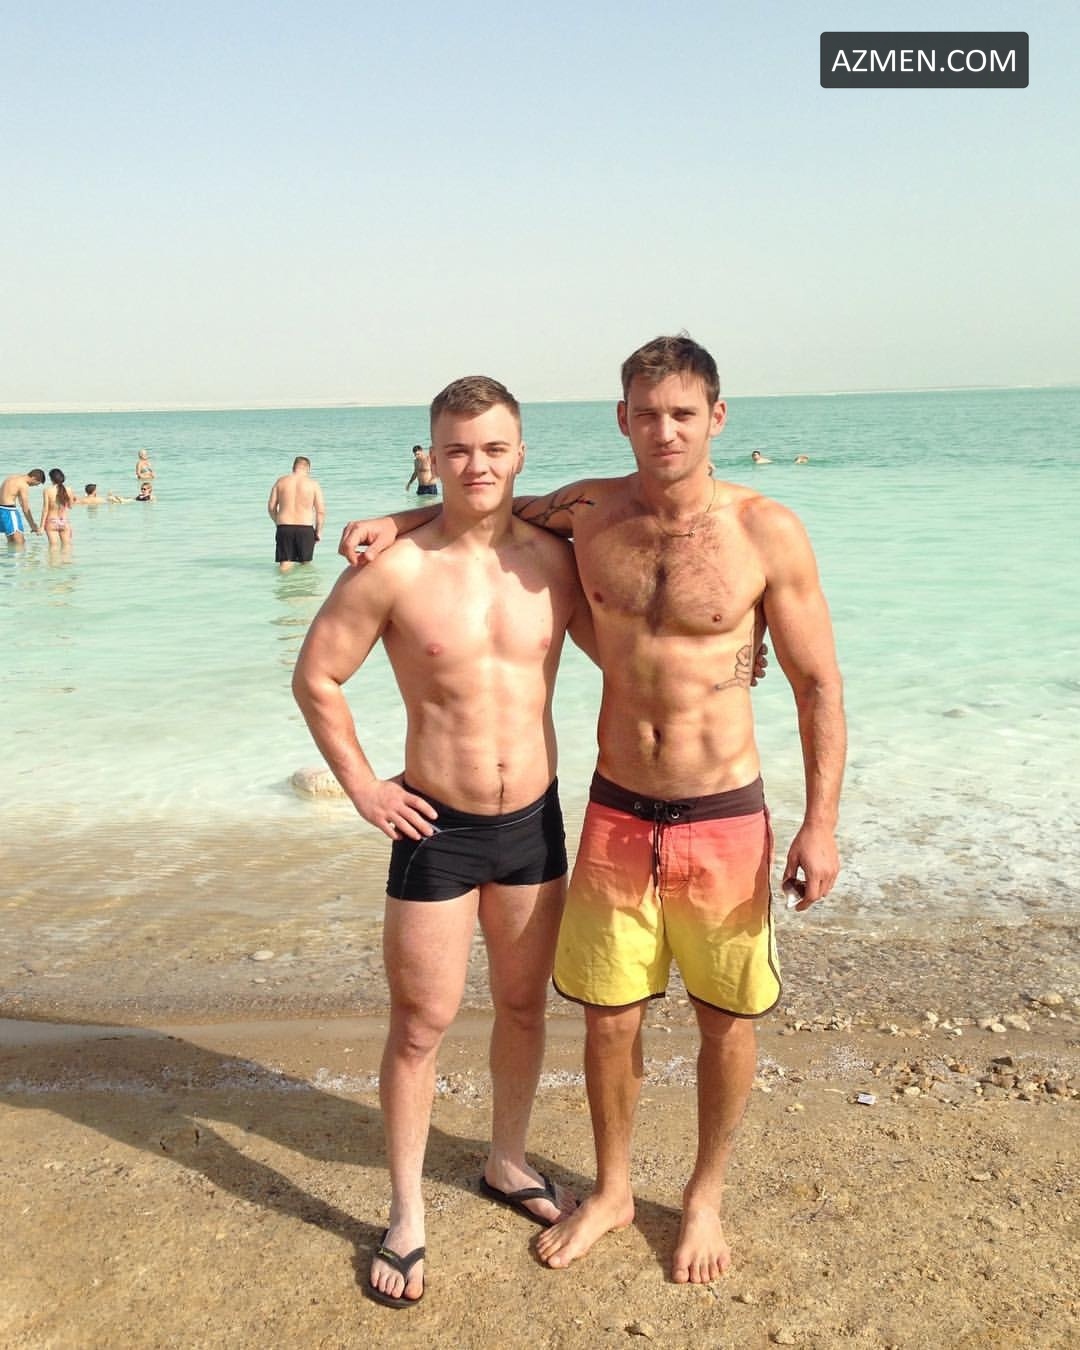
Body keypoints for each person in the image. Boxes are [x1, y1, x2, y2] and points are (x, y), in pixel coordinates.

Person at [337, 334, 845, 1285]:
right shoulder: (587, 514)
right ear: (622, 419)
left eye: (683, 414)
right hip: (615, 808)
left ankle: (703, 1197)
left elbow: (817, 685)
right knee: (608, 1019)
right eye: (646, 414)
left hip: (724, 811)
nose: (665, 431)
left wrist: (820, 823)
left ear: (717, 418)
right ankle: (613, 1192)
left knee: (725, 1017)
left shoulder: (766, 530)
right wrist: (397, 518)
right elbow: (482, 502)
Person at [293, 377, 597, 1309]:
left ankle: (507, 1159)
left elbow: (636, 649)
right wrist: (363, 786)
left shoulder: (555, 562)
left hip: (534, 820)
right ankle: (406, 1213)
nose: (477, 465)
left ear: (521, 454)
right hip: (437, 824)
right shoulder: (393, 569)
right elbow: (317, 677)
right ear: (433, 455)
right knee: (421, 1024)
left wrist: (732, 657)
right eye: (457, 449)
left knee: (523, 1006)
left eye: (494, 448)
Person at [268, 456, 325, 572]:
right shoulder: (313, 484)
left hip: (284, 527)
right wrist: (318, 531)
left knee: (285, 564)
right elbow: (320, 511)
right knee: (305, 565)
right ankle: (304, 584)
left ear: (293, 467)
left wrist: (278, 522)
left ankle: (283, 583)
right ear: (308, 469)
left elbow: (271, 507)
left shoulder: (280, 482)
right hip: (305, 528)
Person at [1, 468, 45, 544]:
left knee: (11, 541)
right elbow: (25, 508)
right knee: (20, 542)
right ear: (33, 478)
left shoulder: (12, 477)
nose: (36, 486)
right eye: (37, 483)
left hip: (1, 510)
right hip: (8, 512)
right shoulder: (23, 485)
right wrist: (32, 525)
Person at [41, 469, 74, 548]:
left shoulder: (47, 490)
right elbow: (70, 506)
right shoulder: (69, 490)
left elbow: (45, 510)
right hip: (64, 521)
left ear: (51, 479)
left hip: (51, 521)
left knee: (53, 549)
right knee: (67, 548)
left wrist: (41, 526)